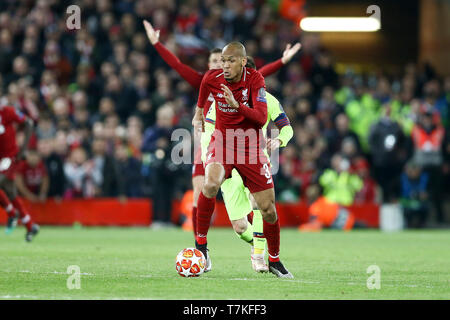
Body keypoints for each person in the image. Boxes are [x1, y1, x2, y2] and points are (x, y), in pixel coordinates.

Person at [143, 20, 301, 239]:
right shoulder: (203, 81)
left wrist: (282, 61)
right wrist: (157, 44)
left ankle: (258, 246)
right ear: (209, 64)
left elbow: (260, 73)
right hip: (208, 144)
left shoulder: (244, 83)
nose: (222, 65)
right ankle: (202, 247)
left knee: (255, 201)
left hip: (237, 144)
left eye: (225, 60)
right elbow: (177, 66)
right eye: (216, 61)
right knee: (202, 193)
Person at [192, 42, 293, 278]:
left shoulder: (256, 80)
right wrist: (198, 112)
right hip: (223, 143)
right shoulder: (212, 78)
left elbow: (259, 119)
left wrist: (237, 106)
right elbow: (203, 89)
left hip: (251, 148)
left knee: (267, 209)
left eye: (230, 61)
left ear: (243, 62)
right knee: (210, 184)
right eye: (223, 61)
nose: (224, 66)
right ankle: (201, 248)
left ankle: (274, 260)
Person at [0, 104, 39, 241]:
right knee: (10, 192)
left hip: (10, 157)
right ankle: (30, 225)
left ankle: (11, 213)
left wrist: (23, 149)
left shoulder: (7, 111)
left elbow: (28, 123)